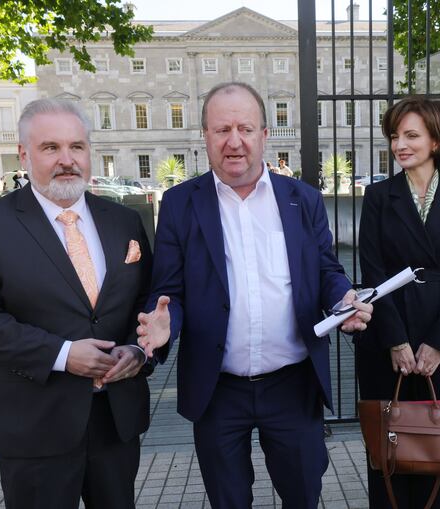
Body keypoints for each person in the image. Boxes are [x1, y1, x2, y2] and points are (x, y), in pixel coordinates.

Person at [137, 82, 373, 508]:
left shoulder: (303, 199)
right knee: (228, 501)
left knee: (303, 494)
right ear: (205, 136)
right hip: (217, 388)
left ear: (265, 134)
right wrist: (164, 326)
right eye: (221, 129)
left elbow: (325, 269)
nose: (234, 141)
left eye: (245, 128)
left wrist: (343, 300)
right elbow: (169, 291)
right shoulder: (178, 204)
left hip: (293, 385)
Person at [0, 98, 170, 509]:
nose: (67, 160)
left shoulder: (123, 220)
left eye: (77, 147)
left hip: (115, 418)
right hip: (33, 421)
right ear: (24, 154)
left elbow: (145, 302)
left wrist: (139, 351)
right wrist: (63, 354)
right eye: (50, 148)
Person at [356, 97, 440, 508]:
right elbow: (370, 270)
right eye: (394, 136)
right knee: (385, 452)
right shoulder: (377, 196)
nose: (399, 145)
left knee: (433, 451)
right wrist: (394, 339)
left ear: (437, 141)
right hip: (386, 336)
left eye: (411, 135)